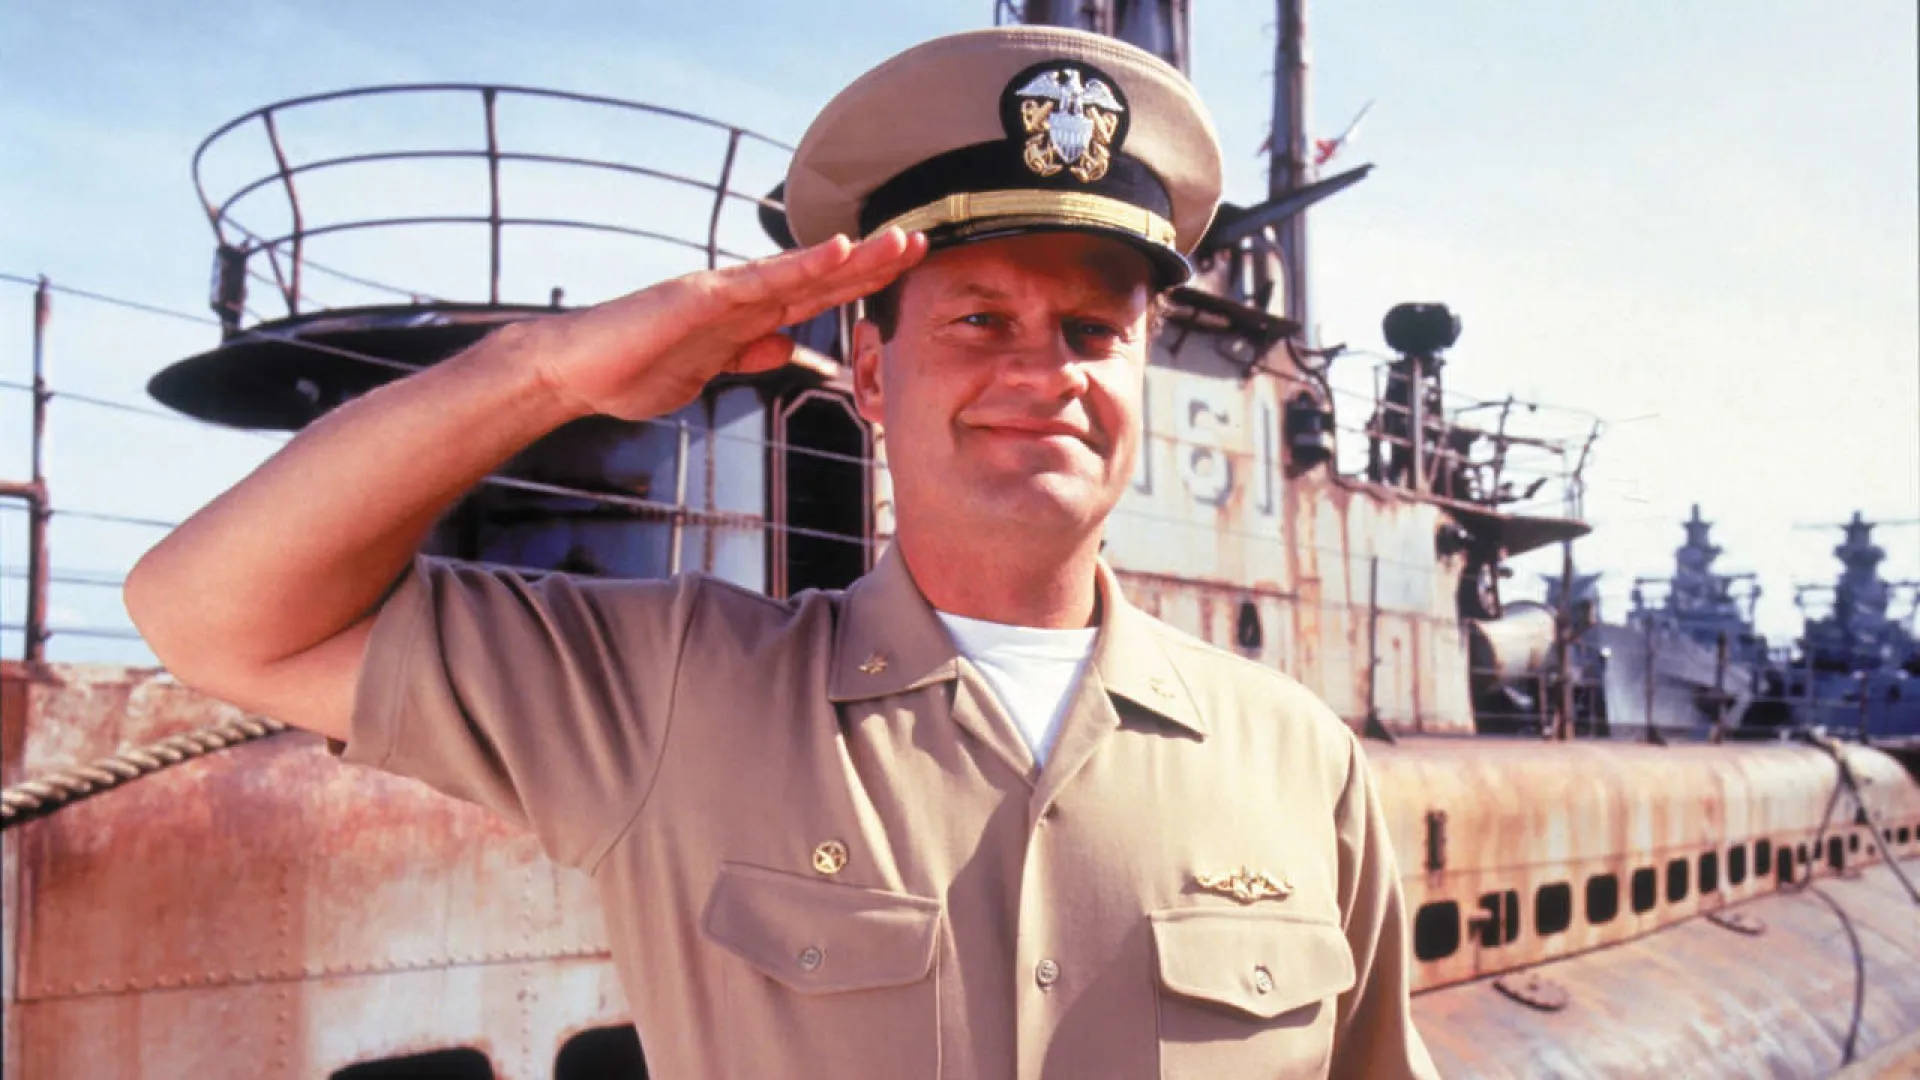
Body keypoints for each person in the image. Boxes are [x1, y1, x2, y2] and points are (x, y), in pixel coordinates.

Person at [126, 25, 1437, 1080]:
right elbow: (213, 616)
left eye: (1094, 331)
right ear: (868, 371)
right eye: (979, 320)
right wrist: (548, 371)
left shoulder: (1299, 760)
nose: (1046, 372)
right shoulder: (675, 692)